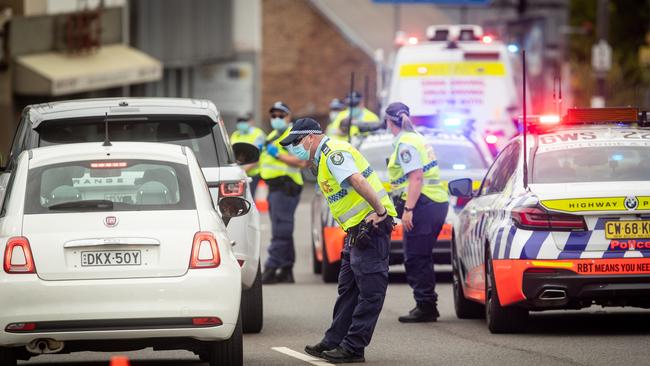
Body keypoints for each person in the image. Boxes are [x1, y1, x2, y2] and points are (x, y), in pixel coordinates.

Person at [279, 118, 396, 364]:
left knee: (370, 292)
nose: (295, 148)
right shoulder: (322, 158)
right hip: (356, 231)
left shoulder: (333, 154)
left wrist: (382, 212)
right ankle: (334, 340)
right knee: (348, 289)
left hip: (371, 227)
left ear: (310, 137)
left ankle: (353, 348)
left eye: (296, 142)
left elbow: (358, 181)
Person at [384, 102, 449, 323]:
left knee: (415, 257)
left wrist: (408, 210)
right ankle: (426, 303)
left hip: (423, 204)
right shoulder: (415, 137)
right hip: (433, 202)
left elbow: (416, 177)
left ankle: (426, 306)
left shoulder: (406, 144)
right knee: (420, 255)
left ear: (388, 121)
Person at [259, 101, 307, 284]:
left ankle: (271, 267)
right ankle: (287, 269)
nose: (276, 119)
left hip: (286, 187)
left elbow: (301, 161)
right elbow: (263, 161)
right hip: (275, 188)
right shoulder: (272, 135)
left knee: (281, 229)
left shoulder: (291, 135)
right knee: (282, 229)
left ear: (288, 117)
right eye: (273, 116)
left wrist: (277, 155)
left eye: (281, 115)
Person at [230, 113, 266, 198]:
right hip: (237, 174)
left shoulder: (258, 134)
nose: (242, 123)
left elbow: (258, 156)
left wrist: (243, 171)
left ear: (251, 122)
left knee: (249, 198)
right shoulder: (235, 134)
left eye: (244, 121)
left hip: (252, 174)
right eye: (240, 121)